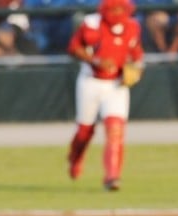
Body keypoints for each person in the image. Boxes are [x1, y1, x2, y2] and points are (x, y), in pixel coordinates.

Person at [66, 0, 144, 191]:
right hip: (90, 81)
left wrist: (136, 70)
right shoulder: (91, 23)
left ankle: (112, 176)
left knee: (115, 130)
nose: (117, 12)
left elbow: (136, 53)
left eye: (121, 9)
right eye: (114, 9)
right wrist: (95, 60)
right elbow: (74, 48)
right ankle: (75, 157)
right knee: (85, 130)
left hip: (116, 85)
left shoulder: (133, 26)